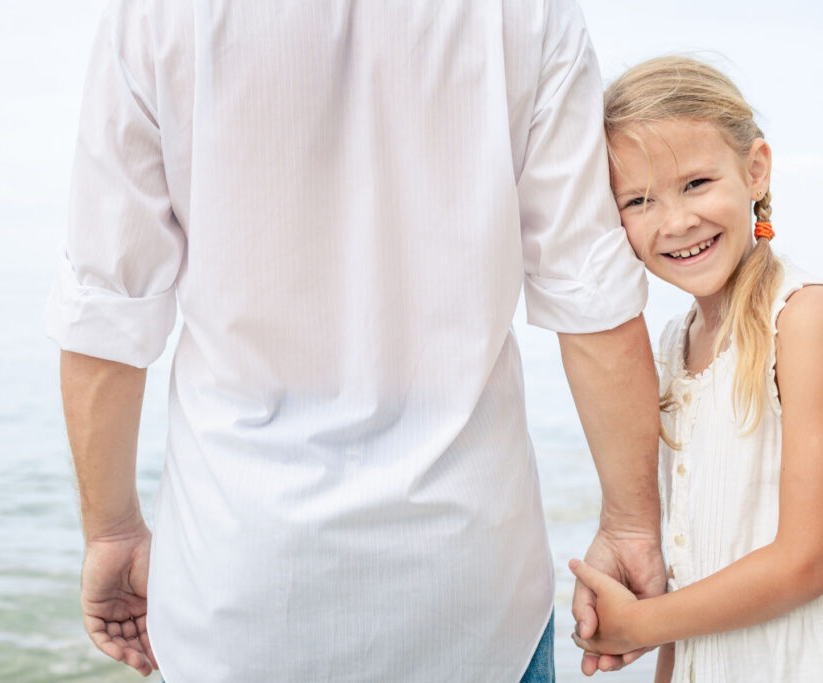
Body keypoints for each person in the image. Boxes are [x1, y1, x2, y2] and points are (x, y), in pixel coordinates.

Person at [46, 1, 664, 680]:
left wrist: (111, 532)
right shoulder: (527, 13)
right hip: (470, 587)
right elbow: (590, 296)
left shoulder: (156, 16)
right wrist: (631, 522)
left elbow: (107, 310)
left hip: (240, 590)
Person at [567, 56, 823, 682]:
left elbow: (807, 562)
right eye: (639, 200)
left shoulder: (804, 319)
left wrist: (640, 624)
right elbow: (686, 565)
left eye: (697, 183)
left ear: (755, 170)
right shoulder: (673, 346)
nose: (676, 222)